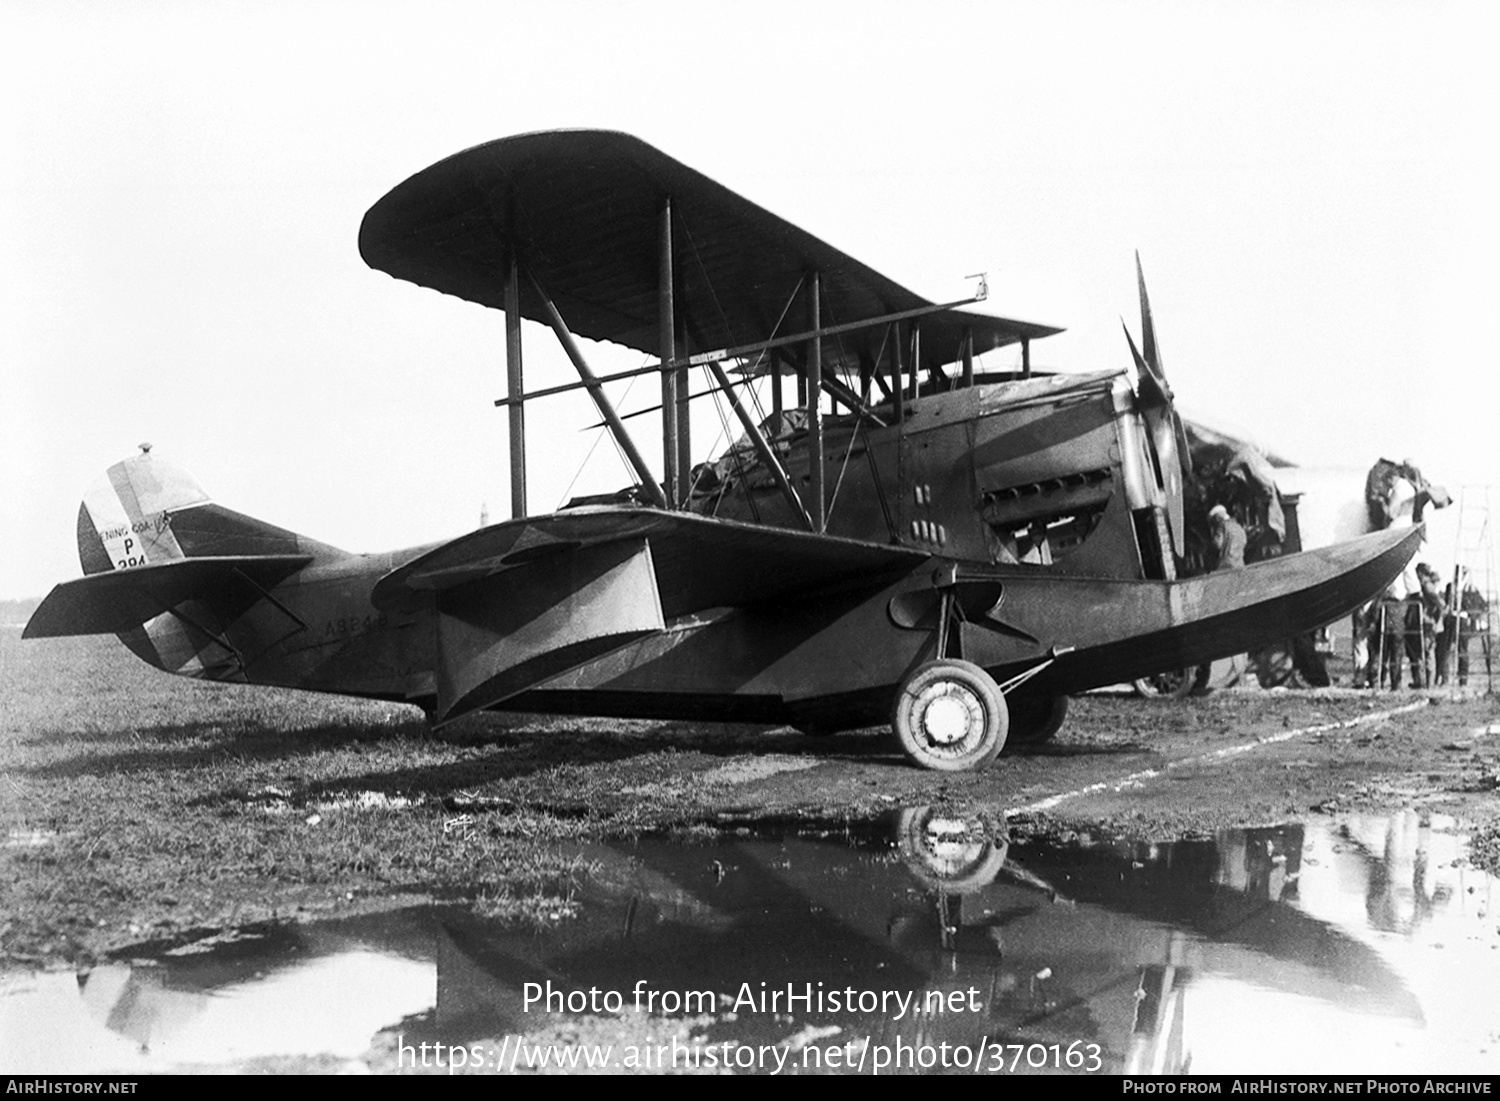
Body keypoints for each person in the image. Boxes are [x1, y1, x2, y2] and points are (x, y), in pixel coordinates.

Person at [1208, 504, 1247, 571]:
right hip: (1239, 563)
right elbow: (1244, 541)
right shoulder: (1237, 525)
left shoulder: (1221, 526)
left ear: (1217, 517)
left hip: (1226, 564)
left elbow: (1218, 544)